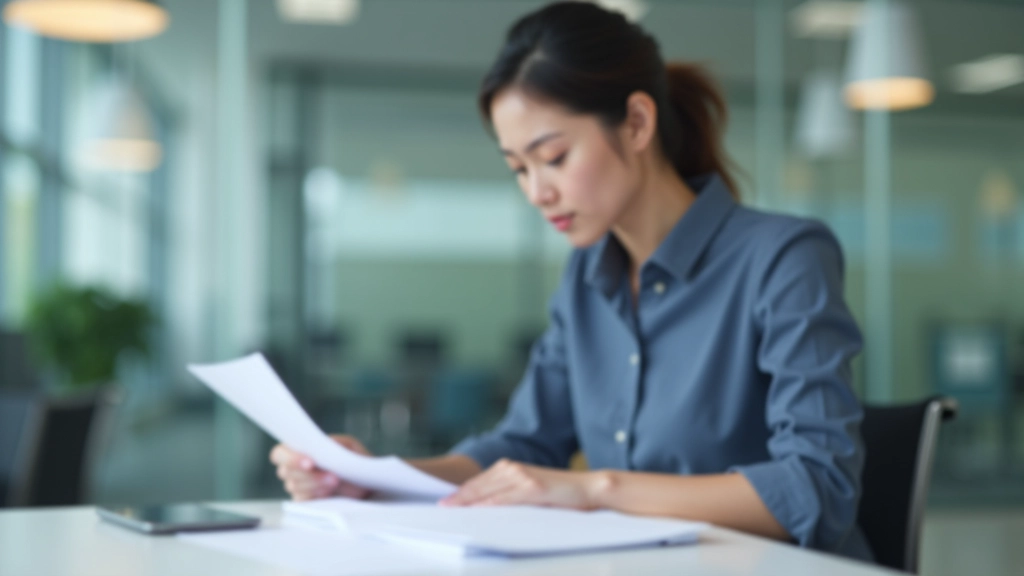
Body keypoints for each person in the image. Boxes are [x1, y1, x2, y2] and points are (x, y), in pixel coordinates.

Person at [270, 1, 872, 561]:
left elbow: (816, 487)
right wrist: (377, 477)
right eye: (519, 169)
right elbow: (526, 447)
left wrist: (594, 488)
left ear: (636, 123)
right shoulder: (587, 276)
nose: (538, 192)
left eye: (554, 157)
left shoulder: (783, 257)